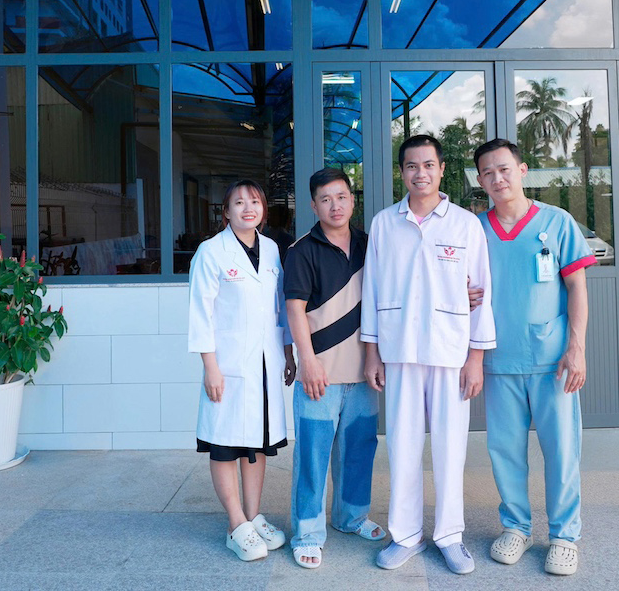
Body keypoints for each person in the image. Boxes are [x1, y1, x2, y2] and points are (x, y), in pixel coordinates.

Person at [361, 135, 496, 575]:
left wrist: (475, 359)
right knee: (402, 447)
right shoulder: (384, 224)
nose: (420, 173)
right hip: (399, 350)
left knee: (450, 449)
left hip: (450, 352)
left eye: (428, 165)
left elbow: (483, 294)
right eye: (411, 166)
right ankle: (406, 535)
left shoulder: (465, 225)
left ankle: (450, 536)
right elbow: (372, 290)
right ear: (402, 172)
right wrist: (372, 353)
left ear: (442, 170)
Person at [473, 139, 596, 576]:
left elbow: (577, 287)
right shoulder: (476, 230)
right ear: (480, 180)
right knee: (504, 450)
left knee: (561, 450)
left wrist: (576, 348)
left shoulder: (557, 222)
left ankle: (563, 536)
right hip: (499, 359)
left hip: (552, 359)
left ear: (522, 170)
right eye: (488, 173)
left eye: (504, 169)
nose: (498, 178)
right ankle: (516, 527)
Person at [188, 179, 296, 562]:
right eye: (239, 202)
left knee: (257, 442)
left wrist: (288, 352)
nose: (248, 208)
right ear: (226, 211)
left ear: (263, 209)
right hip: (228, 365)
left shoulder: (272, 249)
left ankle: (253, 516)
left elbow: (280, 307)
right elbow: (200, 313)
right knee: (225, 443)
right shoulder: (210, 252)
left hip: (265, 363)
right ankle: (236, 525)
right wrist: (210, 367)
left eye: (255, 202)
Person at [283, 168, 385, 569]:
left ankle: (351, 517)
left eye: (341, 197)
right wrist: (306, 361)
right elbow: (294, 309)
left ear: (352, 200)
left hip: (363, 371)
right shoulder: (302, 250)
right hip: (320, 374)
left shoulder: (369, 244)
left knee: (359, 449)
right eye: (325, 199)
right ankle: (308, 532)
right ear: (313, 206)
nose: (335, 205)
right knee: (313, 456)